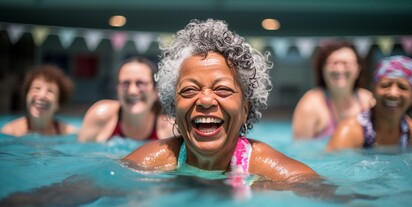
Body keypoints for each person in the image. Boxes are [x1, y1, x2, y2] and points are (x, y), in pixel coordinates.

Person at [122, 19, 319, 183]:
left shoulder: (279, 176)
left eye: (222, 89)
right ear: (175, 107)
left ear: (245, 110)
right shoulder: (147, 163)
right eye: (190, 90)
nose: (205, 100)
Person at [326, 56, 412, 151]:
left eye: (402, 87)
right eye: (385, 85)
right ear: (373, 89)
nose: (393, 93)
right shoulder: (350, 132)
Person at [78, 57, 174, 142]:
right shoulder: (100, 116)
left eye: (141, 83)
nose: (132, 91)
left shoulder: (170, 130)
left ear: (155, 91)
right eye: (125, 83)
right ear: (117, 89)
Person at [292, 40, 374, 140]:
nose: (339, 69)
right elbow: (300, 150)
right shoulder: (310, 105)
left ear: (358, 69)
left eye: (345, 63)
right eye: (333, 63)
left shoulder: (368, 101)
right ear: (322, 69)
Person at [1, 65, 76, 136]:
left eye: (50, 91)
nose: (42, 95)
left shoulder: (69, 133)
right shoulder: (9, 132)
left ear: (58, 104)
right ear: (27, 95)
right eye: (36, 88)